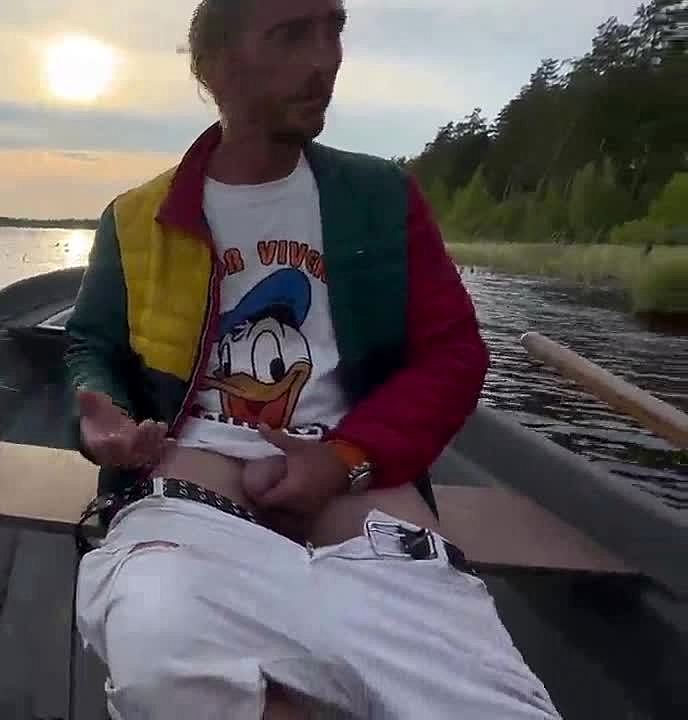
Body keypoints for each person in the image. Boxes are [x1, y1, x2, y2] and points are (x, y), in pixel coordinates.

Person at [64, 0, 562, 718]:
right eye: (293, 34)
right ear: (216, 65)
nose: (326, 59)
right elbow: (93, 348)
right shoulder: (137, 218)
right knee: (161, 674)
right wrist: (102, 414)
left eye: (334, 29)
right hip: (195, 480)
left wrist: (341, 461)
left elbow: (452, 355)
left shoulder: (380, 198)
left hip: (356, 481)